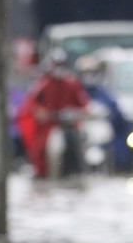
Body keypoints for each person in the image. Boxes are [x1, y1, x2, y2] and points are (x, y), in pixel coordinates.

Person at [15, 48, 91, 178]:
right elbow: (33, 106)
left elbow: (84, 104)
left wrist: (76, 113)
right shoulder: (42, 85)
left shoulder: (71, 83)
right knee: (42, 148)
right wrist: (45, 114)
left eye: (61, 65)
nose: (59, 68)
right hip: (48, 126)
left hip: (69, 125)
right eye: (56, 65)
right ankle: (42, 172)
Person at [75, 54, 133, 171]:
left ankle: (119, 167)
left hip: (101, 130)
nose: (88, 76)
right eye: (85, 72)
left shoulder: (103, 92)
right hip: (80, 130)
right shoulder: (74, 90)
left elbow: (117, 113)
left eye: (91, 72)